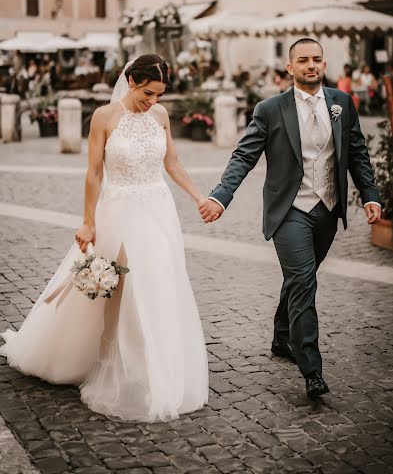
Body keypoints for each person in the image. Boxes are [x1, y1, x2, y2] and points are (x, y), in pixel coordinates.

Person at [0, 54, 209, 422]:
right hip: (120, 211)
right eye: (148, 93)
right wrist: (88, 222)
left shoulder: (160, 116)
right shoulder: (104, 117)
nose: (153, 102)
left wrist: (198, 197)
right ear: (131, 81)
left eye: (159, 95)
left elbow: (171, 163)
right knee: (117, 290)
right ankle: (111, 362)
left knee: (158, 283)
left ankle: (153, 366)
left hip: (158, 210)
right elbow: (94, 173)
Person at [199, 38, 381, 401]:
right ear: (290, 67)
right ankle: (312, 369)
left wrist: (371, 194)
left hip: (328, 209)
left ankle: (282, 332)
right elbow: (243, 156)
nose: (311, 65)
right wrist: (221, 196)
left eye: (316, 59)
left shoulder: (342, 103)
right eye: (303, 60)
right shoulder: (270, 109)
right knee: (303, 283)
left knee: (301, 277)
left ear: (324, 63)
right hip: (290, 211)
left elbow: (357, 152)